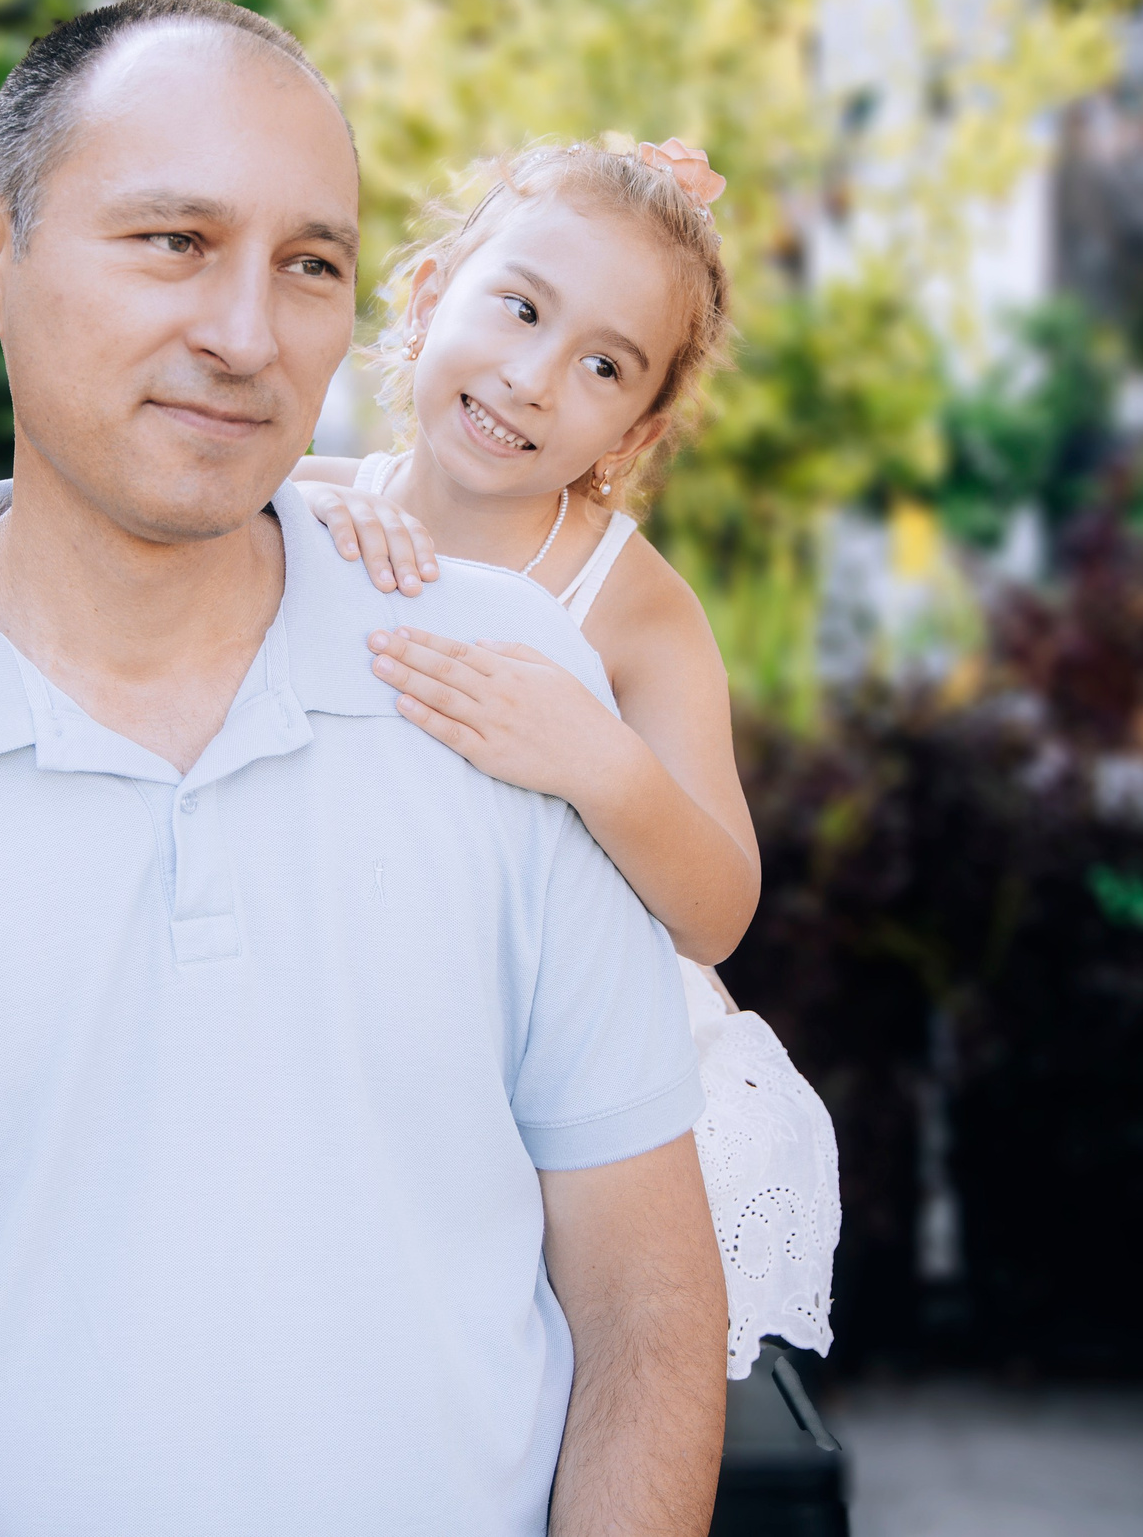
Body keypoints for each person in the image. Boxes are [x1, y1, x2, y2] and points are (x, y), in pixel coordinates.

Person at [0, 0, 727, 1535]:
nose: (243, 333)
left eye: (307, 265)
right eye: (171, 240)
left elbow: (649, 1312)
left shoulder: (510, 685)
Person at [292, 136, 839, 1377]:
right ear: (430, 294)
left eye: (602, 365)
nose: (535, 377)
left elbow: (717, 911)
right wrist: (297, 514)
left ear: (634, 430)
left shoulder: (629, 607)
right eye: (518, 307)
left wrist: (596, 759)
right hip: (376, 1043)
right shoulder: (305, 509)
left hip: (576, 1086)